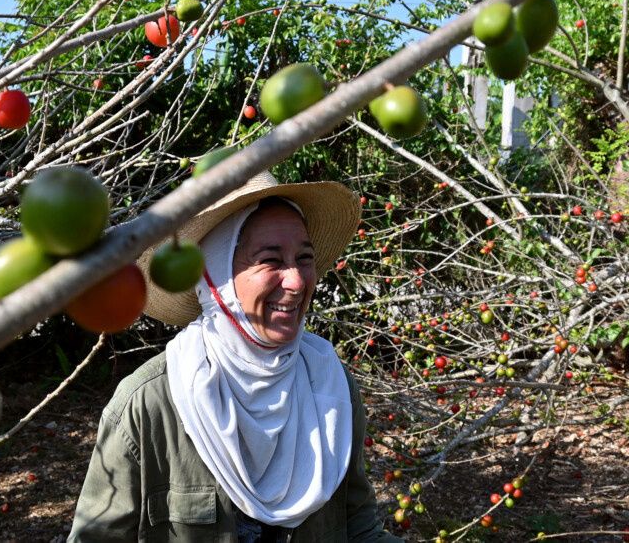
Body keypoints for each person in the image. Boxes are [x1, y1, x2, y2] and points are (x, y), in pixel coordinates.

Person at [68, 171, 403, 542]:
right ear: (217, 277)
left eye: (303, 257)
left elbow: (357, 528)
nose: (296, 281)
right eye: (270, 260)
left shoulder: (330, 386)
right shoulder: (150, 405)